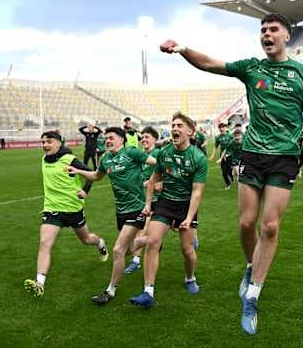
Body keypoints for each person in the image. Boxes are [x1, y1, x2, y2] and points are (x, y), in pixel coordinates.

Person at [159, 12, 303, 334]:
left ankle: (252, 294)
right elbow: (210, 63)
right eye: (263, 30)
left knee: (269, 226)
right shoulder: (252, 67)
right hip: (252, 155)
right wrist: (182, 48)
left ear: (287, 36)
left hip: (284, 156)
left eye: (273, 29)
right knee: (245, 222)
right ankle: (252, 265)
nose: (267, 34)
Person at [67, 127, 156, 306]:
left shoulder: (132, 152)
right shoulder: (106, 158)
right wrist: (79, 172)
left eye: (111, 138)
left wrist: (153, 183)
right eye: (106, 138)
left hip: (137, 209)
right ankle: (151, 240)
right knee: (129, 250)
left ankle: (110, 291)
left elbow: (156, 163)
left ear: (121, 140)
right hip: (121, 211)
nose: (107, 141)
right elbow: (96, 176)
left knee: (117, 250)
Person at [129, 113, 208, 308]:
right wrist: (148, 204)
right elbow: (153, 181)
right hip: (165, 203)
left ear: (190, 131)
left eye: (180, 125)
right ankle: (148, 291)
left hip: (185, 205)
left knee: (187, 250)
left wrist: (189, 218)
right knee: (153, 241)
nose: (175, 128)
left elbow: (197, 193)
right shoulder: (163, 153)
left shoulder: (198, 158)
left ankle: (190, 278)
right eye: (173, 125)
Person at [24, 131, 109, 298]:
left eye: (49, 142)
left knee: (86, 240)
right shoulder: (44, 159)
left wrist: (85, 191)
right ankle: (39, 283)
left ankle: (100, 243)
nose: (45, 145)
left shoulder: (69, 159)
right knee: (44, 243)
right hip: (52, 209)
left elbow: (91, 175)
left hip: (72, 209)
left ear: (58, 143)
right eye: (43, 142)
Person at [124, 126, 162, 274]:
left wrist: (155, 183)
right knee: (142, 230)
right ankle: (136, 261)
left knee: (172, 225)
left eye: (147, 137)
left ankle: (190, 234)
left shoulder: (158, 153)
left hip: (159, 198)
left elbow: (167, 172)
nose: (143, 140)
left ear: (154, 139)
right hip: (145, 199)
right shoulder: (140, 156)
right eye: (142, 137)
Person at [210, 123, 235, 189]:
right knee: (224, 172)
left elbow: (234, 145)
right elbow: (215, 147)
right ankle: (228, 184)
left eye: (222, 127)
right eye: (220, 128)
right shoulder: (218, 137)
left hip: (230, 155)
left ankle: (231, 178)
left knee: (229, 171)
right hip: (222, 157)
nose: (221, 129)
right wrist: (212, 155)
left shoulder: (230, 136)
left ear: (225, 128)